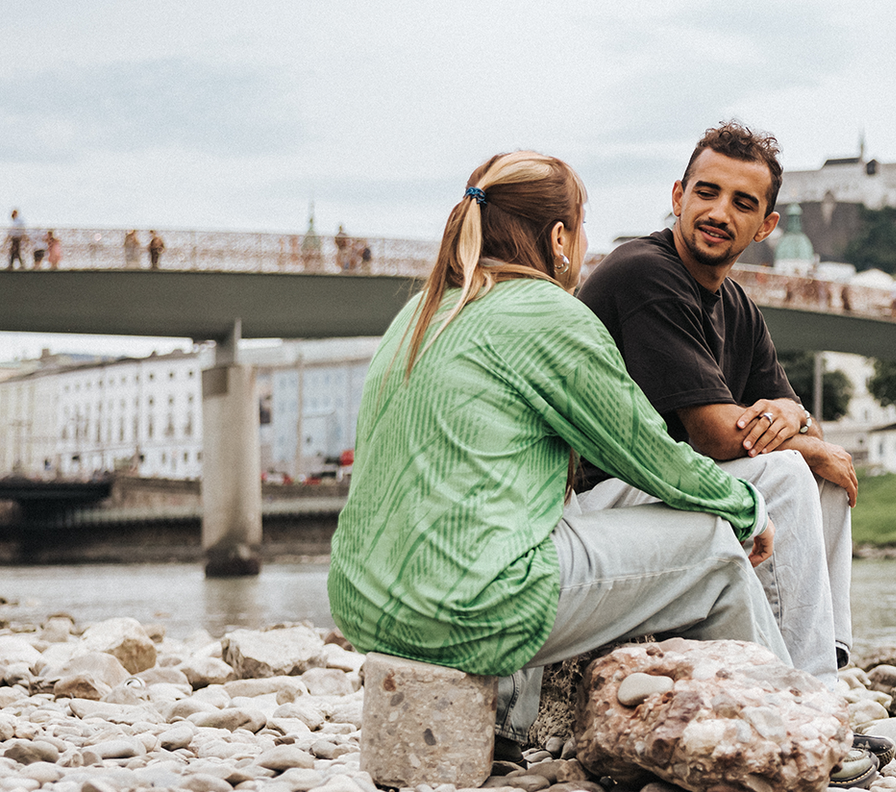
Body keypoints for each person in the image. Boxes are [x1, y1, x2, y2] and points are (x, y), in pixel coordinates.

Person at [326, 151, 804, 767]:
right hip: (467, 611)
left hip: (366, 605)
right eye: (581, 230)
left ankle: (527, 720)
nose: (582, 252)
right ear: (559, 238)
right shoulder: (548, 313)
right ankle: (792, 730)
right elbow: (650, 456)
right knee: (715, 550)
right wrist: (745, 509)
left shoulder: (423, 313)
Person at [573, 121, 861, 686]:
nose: (718, 212)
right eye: (706, 192)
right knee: (788, 468)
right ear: (678, 196)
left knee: (824, 474)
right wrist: (795, 431)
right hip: (592, 505)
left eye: (742, 202)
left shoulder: (736, 305)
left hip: (668, 493)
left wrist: (796, 418)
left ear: (766, 226)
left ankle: (827, 658)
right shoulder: (646, 273)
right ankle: (807, 692)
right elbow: (714, 434)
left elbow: (809, 430)